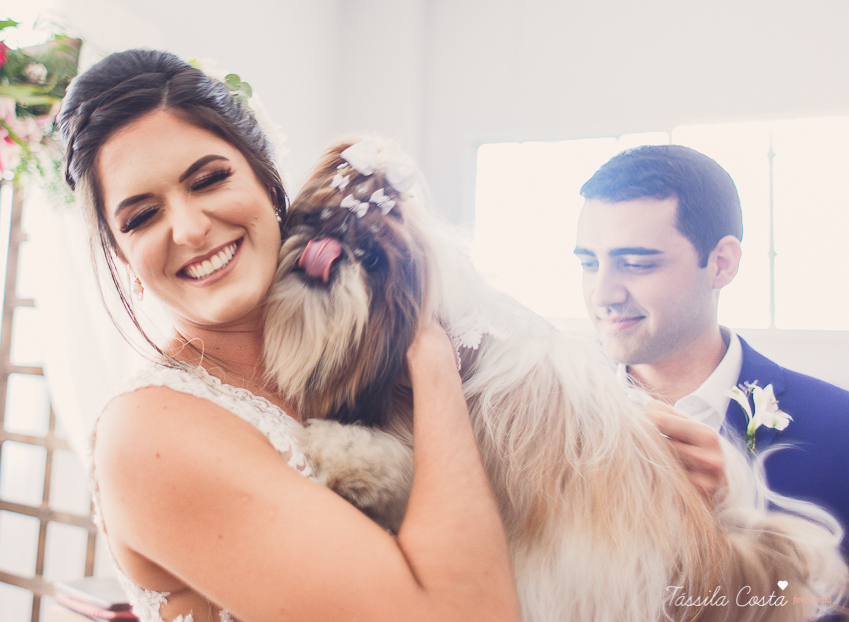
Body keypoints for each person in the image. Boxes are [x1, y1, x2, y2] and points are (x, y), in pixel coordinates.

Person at [57, 50, 726, 622]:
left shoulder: (342, 359)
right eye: (143, 217)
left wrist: (633, 468)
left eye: (209, 179)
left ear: (266, 179)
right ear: (122, 258)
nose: (192, 227)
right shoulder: (153, 436)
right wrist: (428, 358)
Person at [575, 144, 849, 553]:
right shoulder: (547, 416)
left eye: (636, 263)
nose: (603, 294)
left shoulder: (837, 426)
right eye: (589, 263)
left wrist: (743, 515)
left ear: (721, 263)